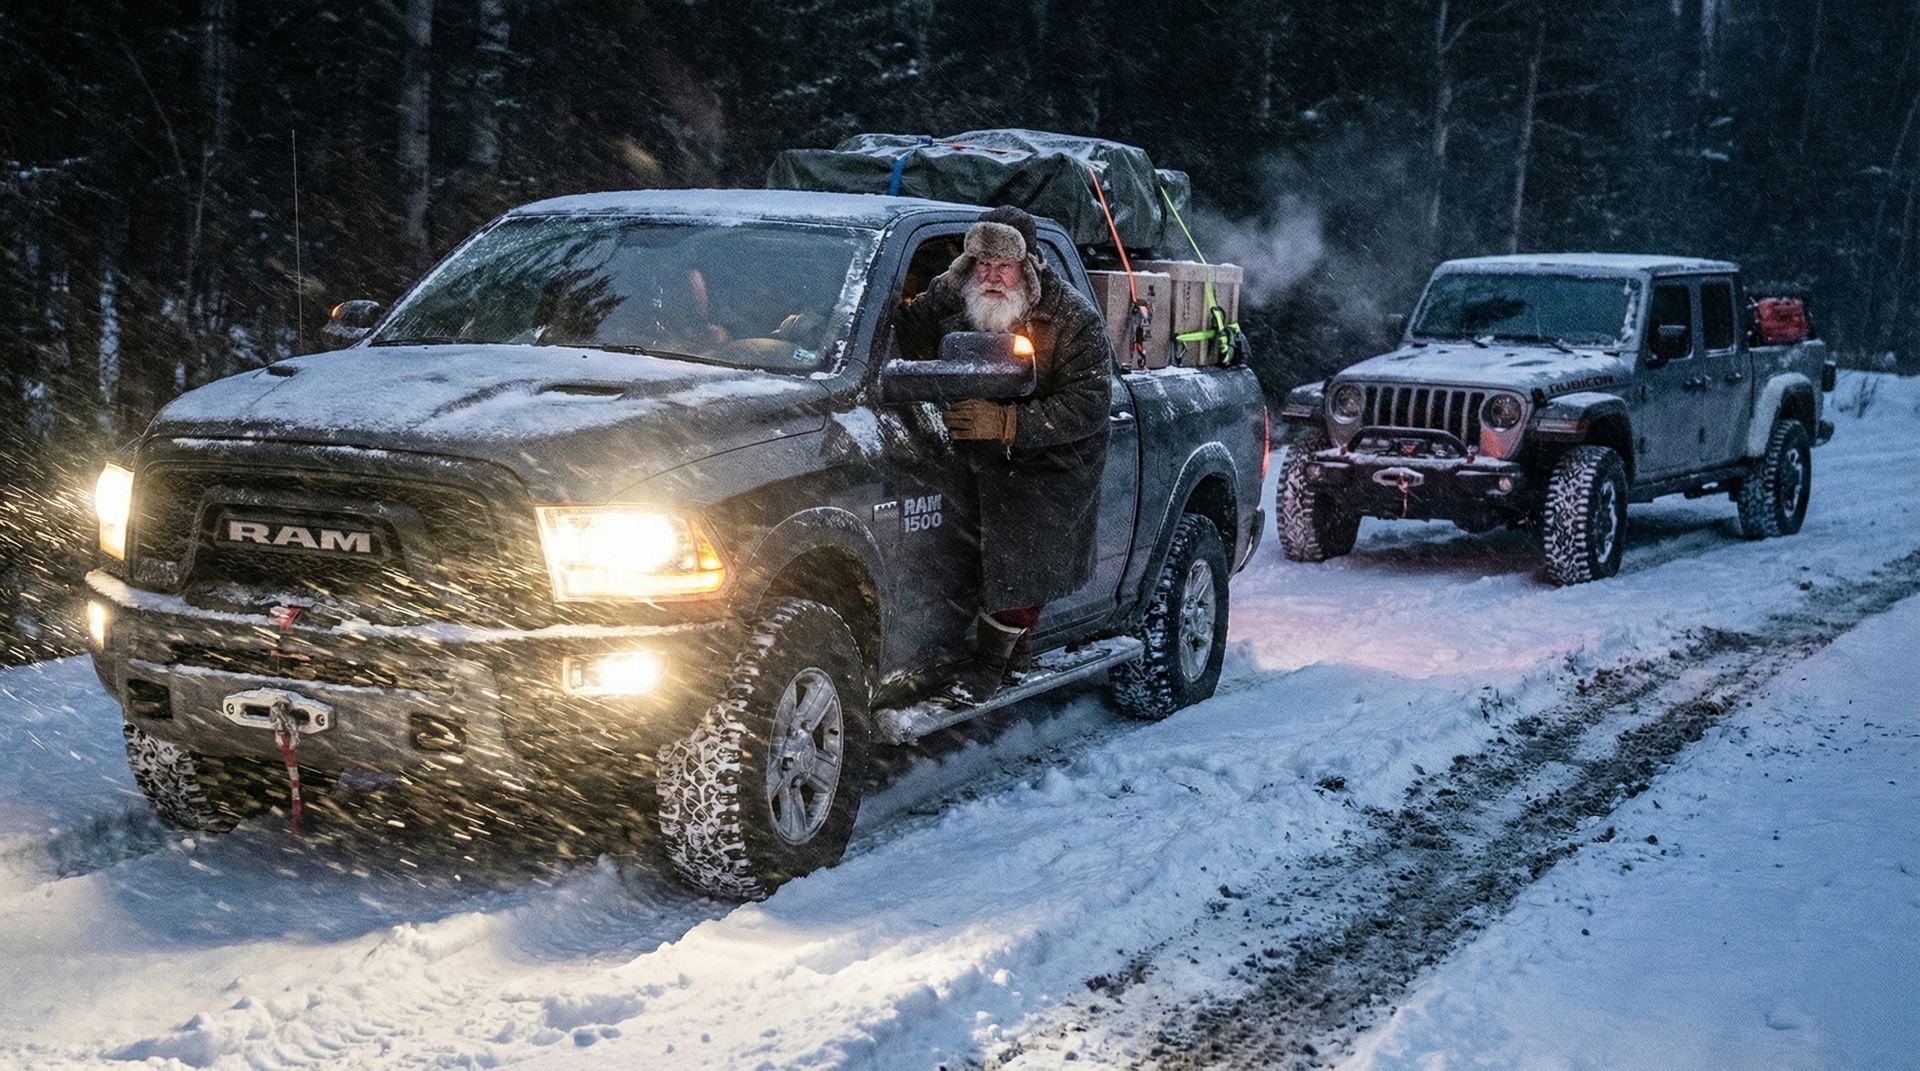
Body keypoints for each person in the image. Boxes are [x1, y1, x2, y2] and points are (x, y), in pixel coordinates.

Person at [898, 206, 1114, 702]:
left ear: (1029, 266)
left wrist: (1008, 422)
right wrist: (944, 288)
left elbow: (1089, 403)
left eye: (1005, 266)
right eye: (982, 265)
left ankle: (989, 662)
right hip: (971, 453)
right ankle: (1014, 646)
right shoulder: (961, 302)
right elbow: (910, 337)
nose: (993, 277)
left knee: (1022, 539)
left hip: (1050, 458)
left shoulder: (1070, 318)